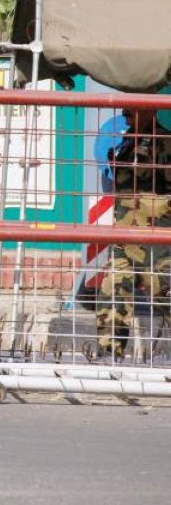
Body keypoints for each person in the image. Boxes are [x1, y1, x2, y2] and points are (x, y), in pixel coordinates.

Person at [95, 107, 171, 361]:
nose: (126, 113)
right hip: (126, 237)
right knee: (113, 290)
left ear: (150, 109)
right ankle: (108, 354)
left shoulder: (166, 144)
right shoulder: (124, 142)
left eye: (133, 109)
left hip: (158, 238)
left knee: (166, 294)